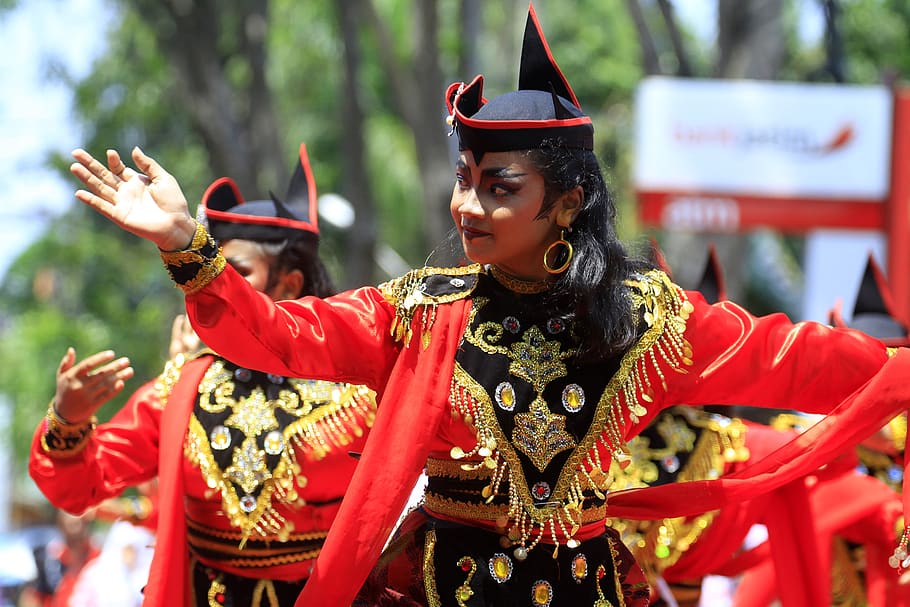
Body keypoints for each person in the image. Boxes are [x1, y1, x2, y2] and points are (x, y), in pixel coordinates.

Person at [66, 6, 910, 606]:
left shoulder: (649, 320)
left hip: (586, 588)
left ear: (569, 202)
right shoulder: (421, 314)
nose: (466, 206)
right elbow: (280, 335)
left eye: (498, 188)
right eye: (465, 182)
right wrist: (188, 248)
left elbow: (807, 362)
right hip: (439, 587)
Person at [30, 144, 377, 606]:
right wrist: (66, 421)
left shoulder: (360, 388)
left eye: (235, 272)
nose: (212, 285)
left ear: (291, 284)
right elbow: (79, 487)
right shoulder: (183, 389)